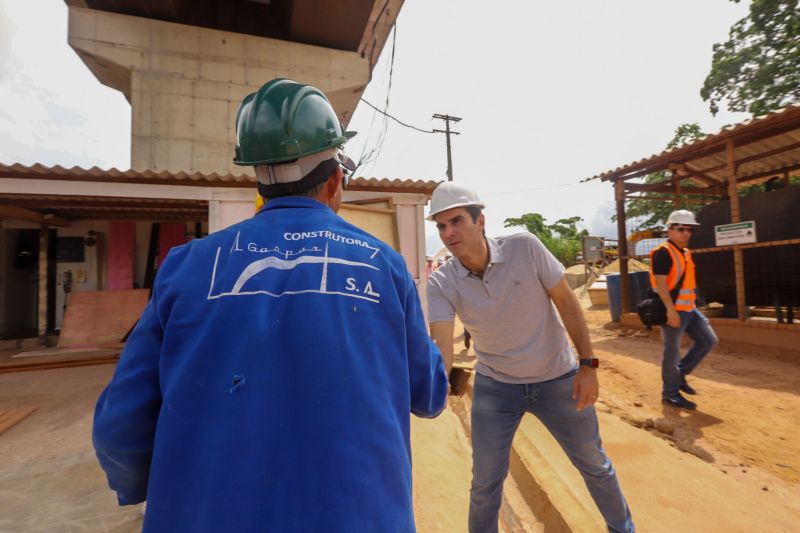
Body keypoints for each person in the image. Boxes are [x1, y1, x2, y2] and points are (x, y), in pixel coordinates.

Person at [92, 78, 448, 532]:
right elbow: (430, 394)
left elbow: (118, 428)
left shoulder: (187, 265)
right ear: (336, 180)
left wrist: (170, 484)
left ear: (257, 176)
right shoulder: (384, 265)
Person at [426, 182, 634, 533]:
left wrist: (588, 365)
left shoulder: (525, 248)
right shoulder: (442, 282)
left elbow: (567, 302)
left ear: (480, 221)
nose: (449, 233)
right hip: (497, 388)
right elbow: (442, 343)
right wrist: (437, 386)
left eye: (457, 221)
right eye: (441, 226)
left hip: (558, 379)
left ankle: (622, 529)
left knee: (594, 465)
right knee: (485, 482)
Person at [650, 210, 718, 410]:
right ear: (669, 230)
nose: (686, 233)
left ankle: (679, 377)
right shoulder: (663, 252)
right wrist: (670, 310)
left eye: (689, 229)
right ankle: (670, 394)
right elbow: (661, 284)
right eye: (681, 229)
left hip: (689, 308)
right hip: (674, 310)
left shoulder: (685, 252)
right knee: (671, 353)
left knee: (708, 340)